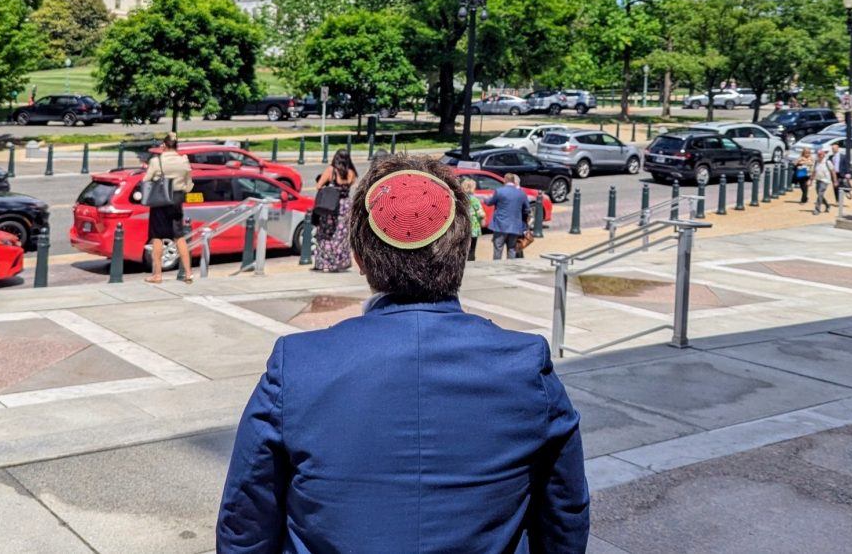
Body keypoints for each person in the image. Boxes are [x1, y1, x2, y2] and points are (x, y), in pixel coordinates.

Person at [217, 155, 590, 553]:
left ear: (358, 258)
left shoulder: (299, 365)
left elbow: (246, 521)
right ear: (462, 250)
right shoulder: (526, 365)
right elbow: (564, 517)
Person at [143, 132, 193, 283]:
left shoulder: (156, 161)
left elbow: (146, 180)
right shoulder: (184, 161)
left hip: (160, 201)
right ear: (177, 146)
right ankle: (188, 273)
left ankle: (157, 275)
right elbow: (189, 185)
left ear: (164, 145)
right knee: (179, 236)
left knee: (157, 237)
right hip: (177, 200)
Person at [313, 148, 357, 272]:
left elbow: (319, 186)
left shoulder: (331, 171)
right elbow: (350, 185)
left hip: (331, 205)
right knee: (341, 235)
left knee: (326, 234)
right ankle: (340, 262)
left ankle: (326, 263)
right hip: (346, 205)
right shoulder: (351, 173)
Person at [485, 172, 530, 260]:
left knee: (498, 248)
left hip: (500, 225)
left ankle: (497, 269)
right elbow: (527, 209)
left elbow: (490, 202)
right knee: (512, 249)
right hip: (515, 225)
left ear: (505, 180)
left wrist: (486, 199)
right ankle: (510, 269)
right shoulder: (521, 193)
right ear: (513, 181)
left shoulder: (499, 191)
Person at [460, 177, 485, 261]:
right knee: (472, 247)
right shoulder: (474, 199)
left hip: (462, 225)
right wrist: (483, 219)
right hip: (473, 226)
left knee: (463, 247)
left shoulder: (460, 199)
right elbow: (480, 212)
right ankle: (470, 260)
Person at [810, 148, 836, 214]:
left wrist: (835, 181)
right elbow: (814, 172)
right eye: (818, 154)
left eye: (821, 154)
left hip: (825, 180)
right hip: (818, 180)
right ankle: (827, 205)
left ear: (824, 155)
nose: (820, 155)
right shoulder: (816, 162)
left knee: (820, 193)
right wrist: (810, 180)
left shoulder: (827, 162)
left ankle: (817, 209)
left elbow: (833, 171)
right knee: (819, 194)